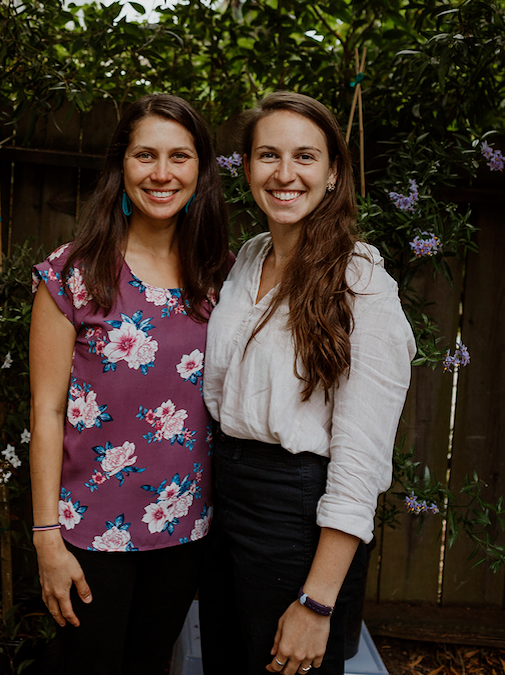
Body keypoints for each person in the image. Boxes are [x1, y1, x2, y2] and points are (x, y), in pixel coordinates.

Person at [199, 91, 416, 676]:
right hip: (227, 499)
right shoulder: (249, 258)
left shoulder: (361, 283)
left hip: (296, 510)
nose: (284, 173)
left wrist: (317, 602)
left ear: (333, 172)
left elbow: (361, 458)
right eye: (268, 155)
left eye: (305, 156)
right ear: (247, 167)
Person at [28, 93, 231, 675]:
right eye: (146, 155)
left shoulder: (221, 276)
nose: (162, 173)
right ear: (121, 164)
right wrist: (46, 538)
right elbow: (46, 411)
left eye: (179, 156)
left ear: (200, 169)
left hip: (185, 529)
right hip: (90, 532)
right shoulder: (74, 274)